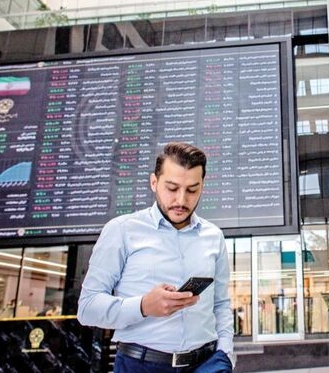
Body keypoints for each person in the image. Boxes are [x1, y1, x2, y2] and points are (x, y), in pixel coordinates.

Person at [78, 142, 234, 372]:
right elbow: (87, 308)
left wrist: (225, 353)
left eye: (192, 190)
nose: (181, 200)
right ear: (154, 182)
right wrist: (143, 306)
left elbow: (220, 303)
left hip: (207, 363)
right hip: (140, 365)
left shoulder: (214, 236)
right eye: (172, 188)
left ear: (202, 186)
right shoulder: (122, 230)